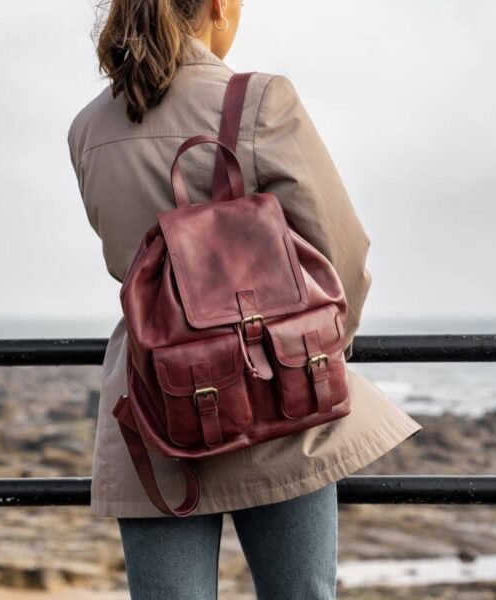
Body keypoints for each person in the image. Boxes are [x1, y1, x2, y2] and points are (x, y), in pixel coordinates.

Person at [66, 1, 423, 598]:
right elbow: (343, 256)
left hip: (158, 404)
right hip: (277, 399)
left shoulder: (87, 129)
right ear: (218, 8)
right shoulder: (259, 101)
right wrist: (309, 356)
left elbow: (127, 259)